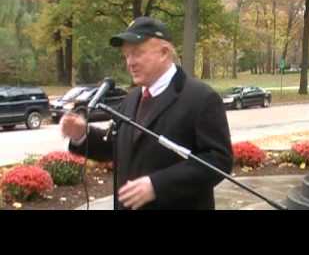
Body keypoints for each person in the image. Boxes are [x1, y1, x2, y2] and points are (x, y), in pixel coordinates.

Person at [60, 16, 233, 210]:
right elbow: (117, 148)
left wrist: (157, 185)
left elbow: (218, 162)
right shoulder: (131, 99)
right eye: (126, 55)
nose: (130, 62)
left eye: (137, 53)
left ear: (164, 53)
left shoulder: (201, 98)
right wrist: (82, 134)